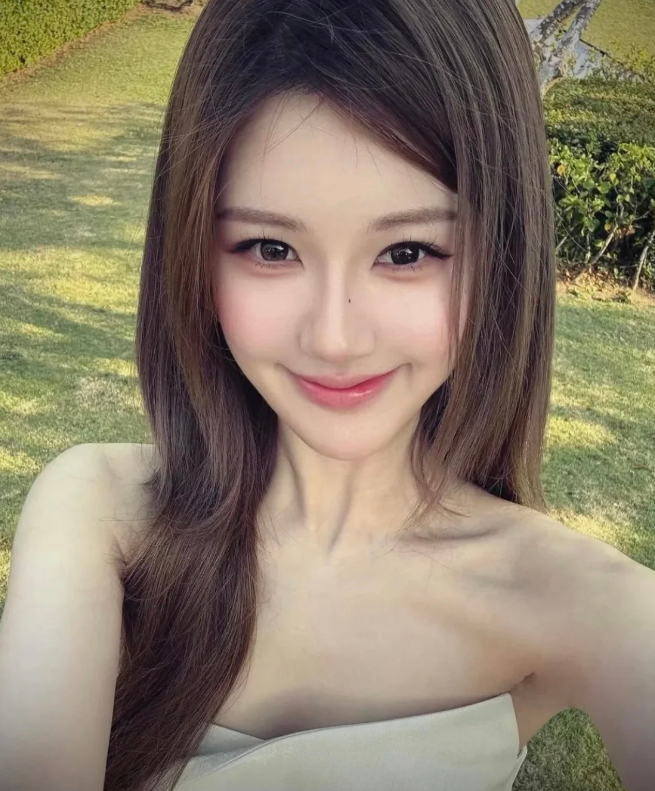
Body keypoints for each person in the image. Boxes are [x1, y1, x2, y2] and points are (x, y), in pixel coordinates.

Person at [1, 1, 654, 790]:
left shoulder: (588, 607)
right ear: (195, 256)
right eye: (270, 247)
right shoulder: (104, 513)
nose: (334, 337)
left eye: (407, 251)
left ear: (500, 254)